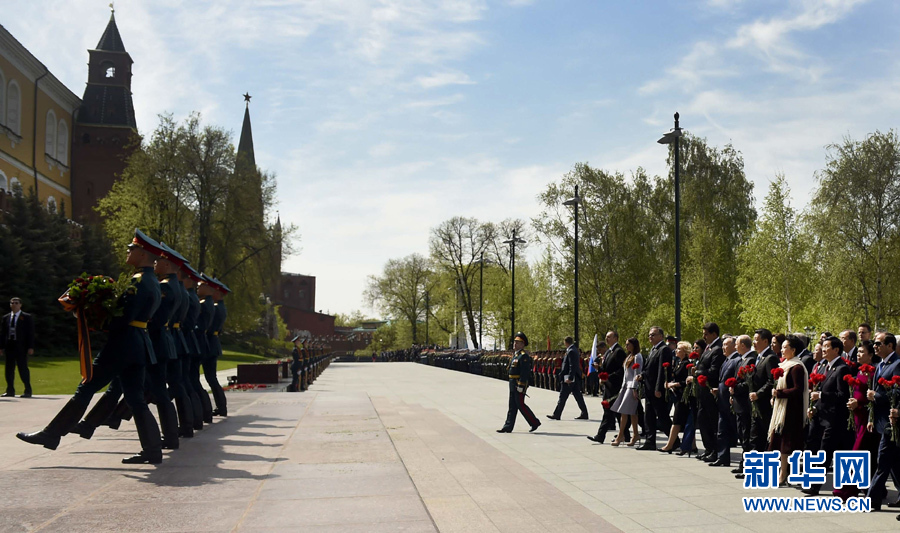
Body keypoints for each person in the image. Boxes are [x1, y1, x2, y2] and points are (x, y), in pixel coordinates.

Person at [17, 229, 164, 464]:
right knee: (135, 398)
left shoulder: (138, 282)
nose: (128, 251)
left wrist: (93, 316)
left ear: (144, 254)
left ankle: (51, 435)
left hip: (123, 344)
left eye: (132, 248)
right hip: (138, 344)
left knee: (86, 387)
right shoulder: (152, 281)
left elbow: (121, 319)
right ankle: (153, 450)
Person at [803, 335, 852, 496]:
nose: (823, 350)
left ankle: (815, 486)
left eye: (827, 347)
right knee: (814, 449)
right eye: (822, 347)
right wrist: (813, 407)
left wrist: (821, 396)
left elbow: (841, 395)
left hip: (833, 418)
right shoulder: (824, 366)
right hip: (819, 415)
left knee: (825, 452)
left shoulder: (841, 368)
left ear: (836, 350)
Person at [834, 339, 881, 500]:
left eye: (862, 352)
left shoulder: (874, 372)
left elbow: (875, 398)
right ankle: (874, 488)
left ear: (870, 355)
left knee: (857, 453)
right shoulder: (860, 370)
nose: (858, 355)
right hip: (856, 417)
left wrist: (860, 403)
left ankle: (846, 490)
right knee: (868, 455)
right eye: (858, 352)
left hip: (867, 418)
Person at [767, 333, 809, 487]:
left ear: (794, 350)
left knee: (788, 444)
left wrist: (779, 393)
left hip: (792, 410)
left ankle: (784, 473)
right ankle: (785, 471)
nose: (782, 350)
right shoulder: (784, 365)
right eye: (782, 347)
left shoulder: (796, 367)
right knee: (781, 442)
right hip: (782, 409)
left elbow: (799, 389)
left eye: (785, 347)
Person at [865, 331, 900, 511]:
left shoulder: (897, 365)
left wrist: (877, 396)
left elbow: (897, 392)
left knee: (883, 460)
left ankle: (872, 500)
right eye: (875, 344)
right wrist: (871, 417)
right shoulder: (879, 365)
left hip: (892, 421)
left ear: (890, 346)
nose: (875, 347)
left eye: (879, 343)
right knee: (893, 462)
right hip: (880, 420)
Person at [636, 326, 673, 451]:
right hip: (648, 388)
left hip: (656, 389)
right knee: (649, 416)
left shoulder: (664, 350)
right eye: (649, 335)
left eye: (653, 335)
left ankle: (674, 440)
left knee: (662, 416)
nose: (650, 337)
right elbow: (649, 369)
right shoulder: (653, 350)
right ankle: (650, 441)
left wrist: (658, 388)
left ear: (660, 336)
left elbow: (662, 371)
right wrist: (642, 376)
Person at [497, 332, 540, 433]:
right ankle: (508, 426)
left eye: (517, 342)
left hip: (518, 383)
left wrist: (521, 384)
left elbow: (524, 372)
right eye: (515, 342)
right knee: (512, 405)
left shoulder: (523, 356)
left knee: (520, 405)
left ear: (522, 344)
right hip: (512, 383)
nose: (515, 344)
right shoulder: (516, 355)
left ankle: (534, 422)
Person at [587, 332, 626, 443]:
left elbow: (621, 370)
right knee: (613, 412)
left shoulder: (619, 351)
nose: (607, 339)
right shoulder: (609, 351)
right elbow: (605, 368)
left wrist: (608, 377)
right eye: (606, 337)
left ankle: (601, 435)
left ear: (616, 338)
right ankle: (624, 434)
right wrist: (599, 369)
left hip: (615, 386)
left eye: (609, 337)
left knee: (611, 412)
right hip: (608, 386)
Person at [694, 322, 724, 462]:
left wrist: (698, 372)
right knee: (703, 421)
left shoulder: (717, 349)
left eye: (706, 334)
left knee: (712, 423)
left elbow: (714, 371)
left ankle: (715, 450)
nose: (704, 337)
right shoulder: (708, 348)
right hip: (702, 392)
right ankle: (708, 449)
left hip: (710, 391)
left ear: (714, 334)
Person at [710, 335, 740, 467]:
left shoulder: (737, 360)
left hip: (731, 402)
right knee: (722, 430)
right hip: (722, 401)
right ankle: (723, 457)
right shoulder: (727, 360)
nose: (723, 347)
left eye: (726, 345)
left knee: (736, 430)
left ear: (734, 346)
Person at [730, 335, 757, 477]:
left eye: (737, 344)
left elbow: (748, 382)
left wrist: (736, 388)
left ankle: (747, 466)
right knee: (742, 434)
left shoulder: (751, 359)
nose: (735, 346)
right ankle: (743, 463)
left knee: (746, 435)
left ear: (743, 345)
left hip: (745, 404)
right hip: (738, 402)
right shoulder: (742, 359)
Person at [659, 341, 692, 454]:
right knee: (686, 421)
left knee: (676, 421)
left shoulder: (686, 364)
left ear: (684, 352)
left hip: (683, 396)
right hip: (677, 395)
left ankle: (669, 445)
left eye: (679, 349)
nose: (676, 351)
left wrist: (674, 384)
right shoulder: (679, 363)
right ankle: (692, 445)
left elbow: (686, 381)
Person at [749, 328, 778, 452]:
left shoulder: (770, 358)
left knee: (762, 437)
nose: (754, 343)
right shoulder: (759, 357)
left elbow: (772, 381)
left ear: (765, 341)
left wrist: (758, 394)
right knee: (755, 437)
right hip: (756, 404)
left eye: (756, 340)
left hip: (764, 404)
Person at [610, 338, 642, 447]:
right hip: (625, 386)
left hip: (631, 387)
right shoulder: (629, 356)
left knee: (624, 411)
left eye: (629, 344)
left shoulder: (638, 356)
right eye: (626, 344)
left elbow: (637, 373)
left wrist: (635, 388)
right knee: (632, 412)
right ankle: (635, 434)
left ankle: (620, 436)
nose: (626, 346)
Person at [0, 297, 34, 397]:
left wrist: (30, 347)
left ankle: (28, 390)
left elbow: (30, 333)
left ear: (20, 305)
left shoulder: (26, 317)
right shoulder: (6, 317)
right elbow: (3, 334)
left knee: (22, 368)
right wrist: (1, 347)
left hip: (21, 346)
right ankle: (10, 390)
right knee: (9, 369)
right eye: (12, 303)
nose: (14, 304)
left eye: (16, 303)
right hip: (10, 345)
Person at [548, 336, 588, 420]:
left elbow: (572, 365)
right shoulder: (573, 350)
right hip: (574, 377)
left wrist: (570, 377)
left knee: (563, 396)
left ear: (565, 342)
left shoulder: (571, 351)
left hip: (569, 378)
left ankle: (557, 414)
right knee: (578, 396)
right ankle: (584, 413)